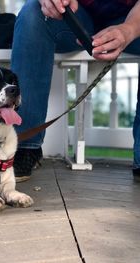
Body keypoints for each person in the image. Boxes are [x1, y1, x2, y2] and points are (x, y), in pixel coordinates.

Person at [11, 0, 140, 182]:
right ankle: (24, 145)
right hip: (76, 15)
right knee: (33, 12)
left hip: (134, 20)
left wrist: (128, 29)